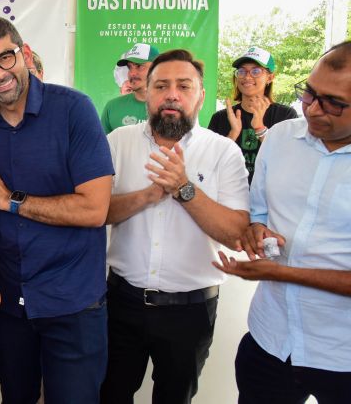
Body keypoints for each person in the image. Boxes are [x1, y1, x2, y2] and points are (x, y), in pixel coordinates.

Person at [0, 16, 114, 403]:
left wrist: (10, 200)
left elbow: (95, 209)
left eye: (5, 58)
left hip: (72, 301)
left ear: (24, 54)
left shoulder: (74, 109)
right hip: (8, 304)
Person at [100, 49, 250, 404]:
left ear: (200, 95)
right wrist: (150, 194)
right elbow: (97, 212)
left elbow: (236, 233)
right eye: (161, 85)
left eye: (184, 86)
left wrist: (183, 189)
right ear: (146, 93)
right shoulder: (117, 143)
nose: (172, 94)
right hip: (122, 302)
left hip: (190, 311)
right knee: (109, 394)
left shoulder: (222, 152)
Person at [215, 41, 351, 404]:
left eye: (333, 102)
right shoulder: (279, 138)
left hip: (342, 353)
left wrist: (282, 272)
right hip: (269, 339)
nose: (313, 109)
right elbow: (257, 212)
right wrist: (257, 230)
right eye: (308, 93)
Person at [208, 46, 297, 183]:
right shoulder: (220, 118)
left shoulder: (285, 115)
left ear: (270, 77)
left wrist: (260, 128)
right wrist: (233, 134)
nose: (247, 77)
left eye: (256, 71)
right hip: (229, 194)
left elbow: (288, 161)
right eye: (242, 71)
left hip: (268, 197)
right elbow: (209, 164)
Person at [101, 43, 159, 133]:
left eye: (139, 66)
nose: (132, 73)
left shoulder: (170, 107)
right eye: (130, 67)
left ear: (157, 68)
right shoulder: (112, 107)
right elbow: (102, 146)